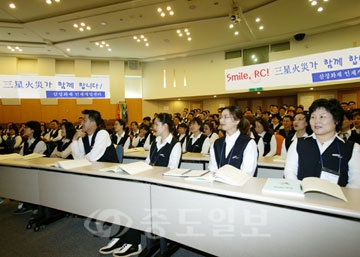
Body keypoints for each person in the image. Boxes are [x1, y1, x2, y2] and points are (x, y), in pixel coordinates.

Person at [99, 113, 181, 257]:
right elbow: (148, 163)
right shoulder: (155, 142)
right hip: (148, 183)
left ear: (165, 125)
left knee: (132, 202)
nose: (153, 127)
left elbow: (170, 170)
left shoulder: (175, 144)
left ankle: (133, 242)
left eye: (156, 124)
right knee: (122, 197)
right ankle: (121, 237)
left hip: (161, 188)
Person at [284, 99, 360, 188]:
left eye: (322, 117)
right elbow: (290, 172)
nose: (316, 121)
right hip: (303, 198)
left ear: (336, 120)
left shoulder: (352, 148)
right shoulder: (298, 143)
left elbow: (356, 183)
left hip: (338, 200)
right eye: (313, 117)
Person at [208, 106, 258, 176]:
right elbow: (212, 169)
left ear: (237, 120)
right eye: (220, 117)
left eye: (226, 117)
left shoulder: (248, 143)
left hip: (241, 184)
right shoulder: (216, 143)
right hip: (219, 184)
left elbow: (247, 173)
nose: (221, 120)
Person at [15, 121, 48, 214]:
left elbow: (35, 159)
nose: (23, 129)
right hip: (26, 169)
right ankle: (25, 202)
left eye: (26, 128)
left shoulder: (40, 143)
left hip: (36, 171)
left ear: (32, 130)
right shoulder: (26, 142)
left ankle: (33, 204)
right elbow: (20, 155)